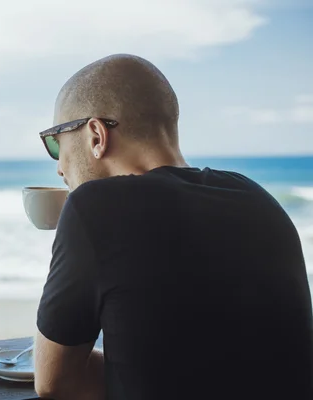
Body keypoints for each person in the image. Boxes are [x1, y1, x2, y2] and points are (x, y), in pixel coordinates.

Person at [33, 53, 313, 400]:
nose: (59, 167)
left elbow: (55, 382)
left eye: (56, 142)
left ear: (95, 135)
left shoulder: (96, 206)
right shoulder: (260, 200)